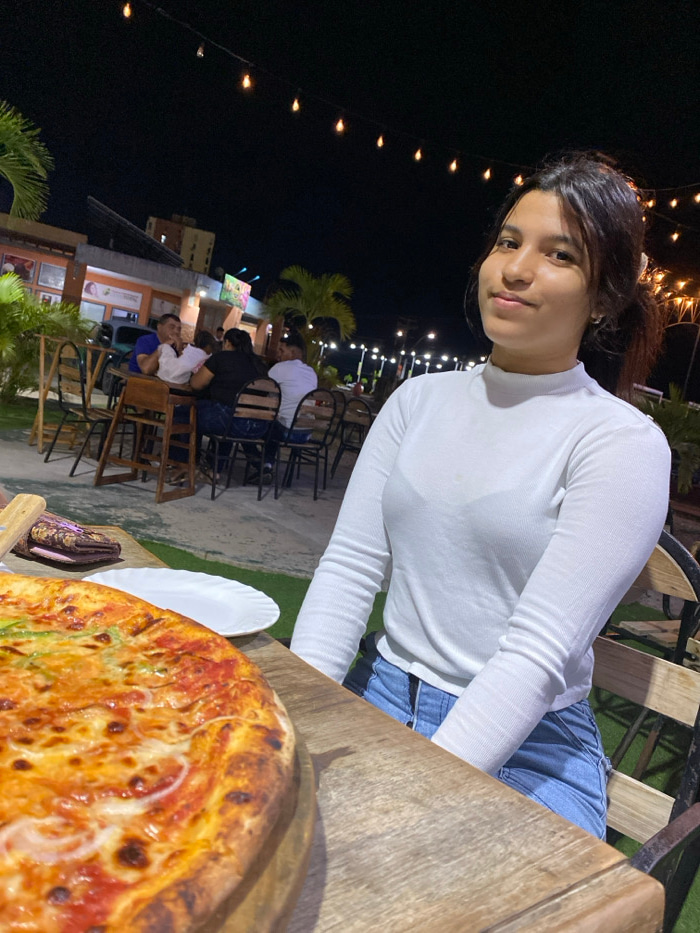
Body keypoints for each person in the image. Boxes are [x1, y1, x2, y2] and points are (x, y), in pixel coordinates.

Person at [289, 152, 672, 839]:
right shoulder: (417, 401)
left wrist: (411, 803)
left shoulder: (619, 442)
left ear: (604, 296)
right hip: (377, 689)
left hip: (527, 745)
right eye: (508, 242)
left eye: (560, 254)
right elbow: (349, 568)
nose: (517, 269)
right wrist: (300, 716)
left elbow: (537, 655)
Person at [189, 328, 269, 473]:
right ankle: (214, 469)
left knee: (187, 412)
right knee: (226, 413)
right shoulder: (260, 365)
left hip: (228, 422)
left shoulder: (221, 358)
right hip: (257, 427)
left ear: (227, 343)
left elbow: (196, 384)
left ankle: (185, 462)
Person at [263, 333, 319, 475]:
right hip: (306, 434)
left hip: (286, 432)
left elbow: (263, 390)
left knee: (265, 423)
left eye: (282, 351)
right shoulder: (311, 373)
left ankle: (265, 464)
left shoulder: (279, 368)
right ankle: (265, 464)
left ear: (293, 352)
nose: (278, 354)